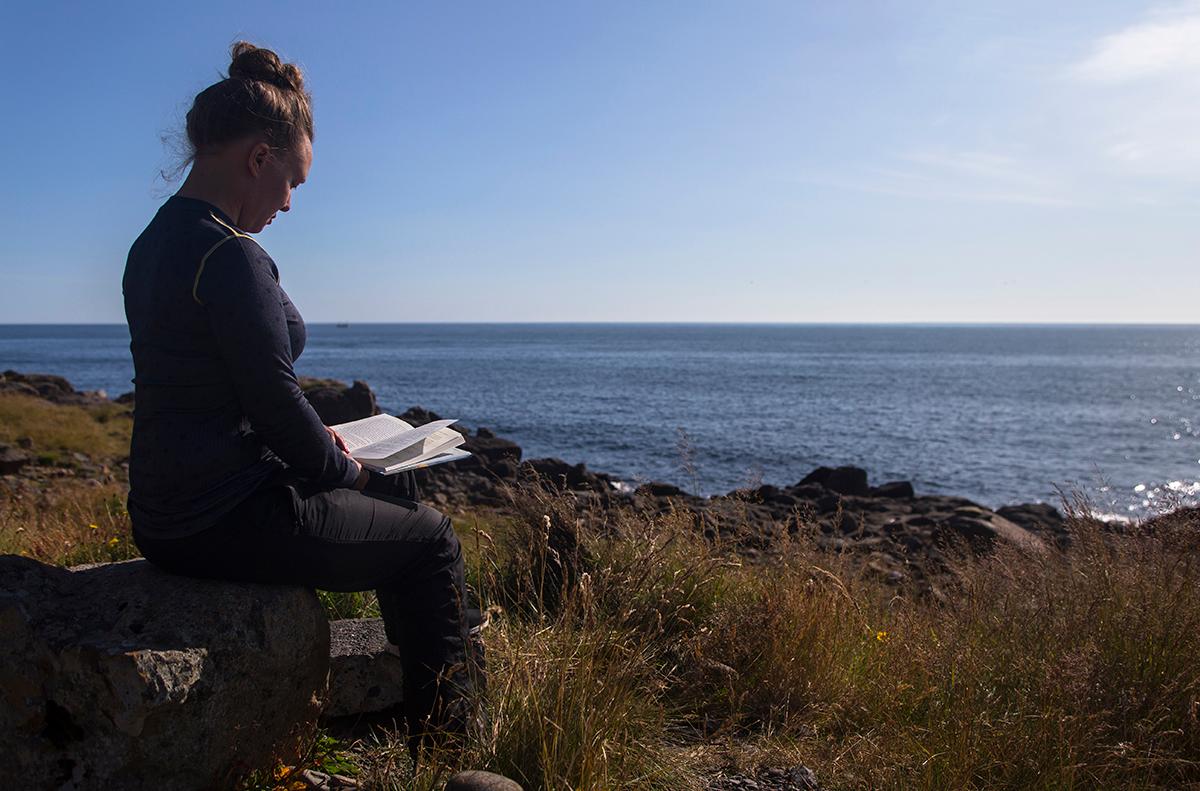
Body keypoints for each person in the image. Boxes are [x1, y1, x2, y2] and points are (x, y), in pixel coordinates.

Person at [122, 41, 476, 761]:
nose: (288, 202)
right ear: (258, 157)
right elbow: (277, 402)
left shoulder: (154, 242)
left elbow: (224, 383)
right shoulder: (230, 255)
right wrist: (351, 471)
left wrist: (330, 442)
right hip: (223, 515)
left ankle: (407, 695)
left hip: (164, 511)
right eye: (292, 181)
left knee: (398, 498)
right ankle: (450, 750)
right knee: (431, 541)